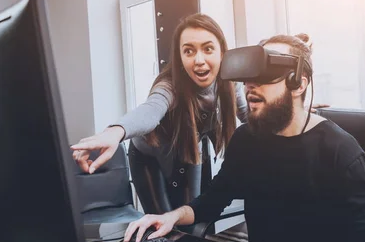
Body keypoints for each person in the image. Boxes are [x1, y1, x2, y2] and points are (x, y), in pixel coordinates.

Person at [123, 33, 365, 242]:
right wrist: (170, 217)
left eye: (265, 76)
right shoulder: (247, 139)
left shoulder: (340, 150)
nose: (250, 88)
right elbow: (211, 201)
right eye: (248, 78)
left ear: (299, 84)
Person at [71, 13, 328, 215]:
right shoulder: (170, 84)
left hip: (188, 151)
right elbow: (150, 112)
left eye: (207, 48)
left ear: (221, 52)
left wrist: (294, 110)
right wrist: (114, 133)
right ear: (180, 56)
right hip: (149, 157)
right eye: (189, 51)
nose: (199, 60)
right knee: (163, 226)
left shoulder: (229, 83)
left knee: (191, 217)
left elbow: (250, 118)